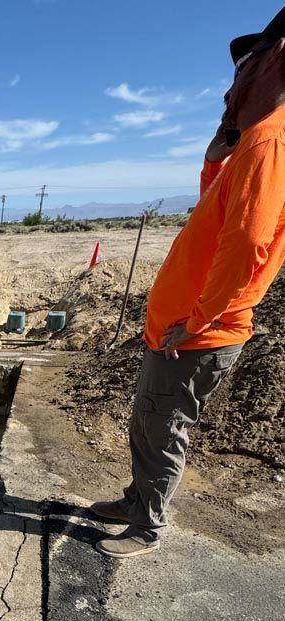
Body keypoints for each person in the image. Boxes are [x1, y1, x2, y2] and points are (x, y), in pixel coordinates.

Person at [91, 7, 285, 558]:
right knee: (147, 421)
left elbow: (246, 246)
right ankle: (136, 501)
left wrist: (197, 319)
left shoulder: (271, 142)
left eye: (242, 66)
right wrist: (210, 164)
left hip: (195, 335)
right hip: (179, 330)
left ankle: (148, 525)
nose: (230, 87)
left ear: (277, 59)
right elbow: (220, 220)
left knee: (163, 427)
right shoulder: (253, 147)